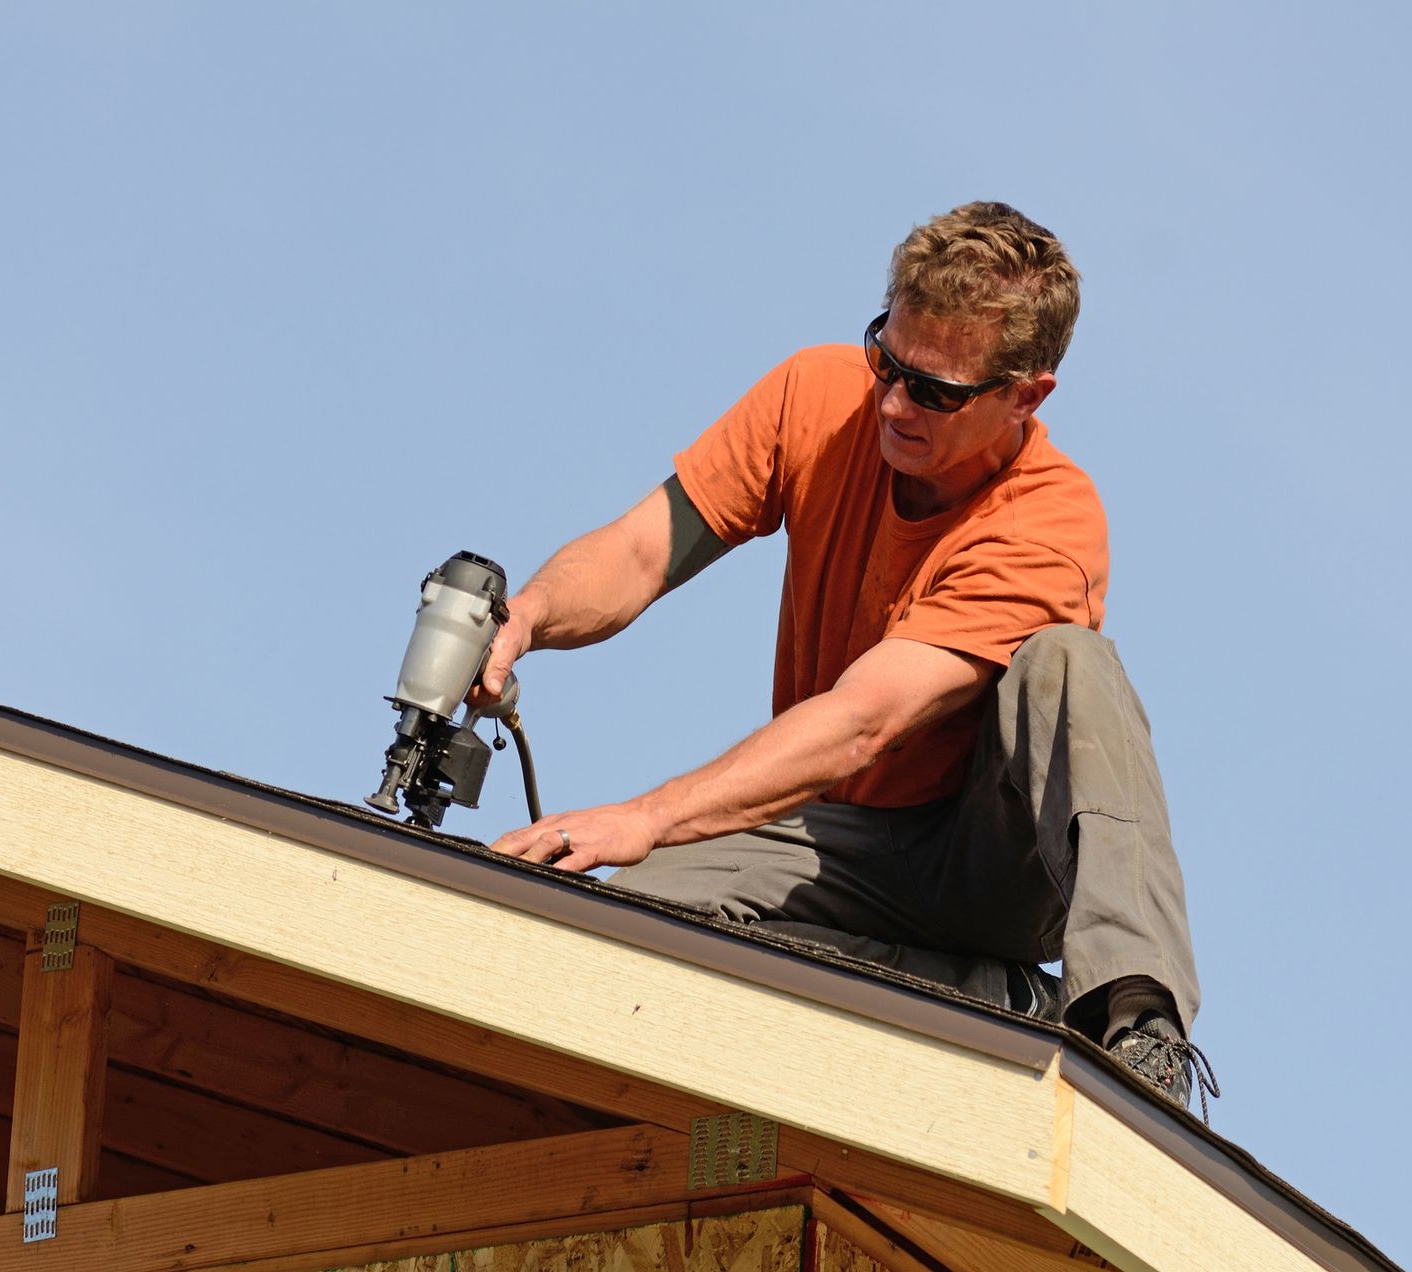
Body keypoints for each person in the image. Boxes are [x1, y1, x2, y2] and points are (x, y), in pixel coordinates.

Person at [483, 203, 1207, 1110]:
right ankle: (993, 1001)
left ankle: (1133, 1021)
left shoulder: (1050, 526)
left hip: (983, 856)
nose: (895, 404)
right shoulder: (820, 397)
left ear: (1025, 395)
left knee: (1071, 664)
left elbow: (866, 721)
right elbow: (640, 551)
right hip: (841, 837)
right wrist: (527, 615)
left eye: (936, 392)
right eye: (888, 362)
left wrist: (645, 814)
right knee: (633, 922)